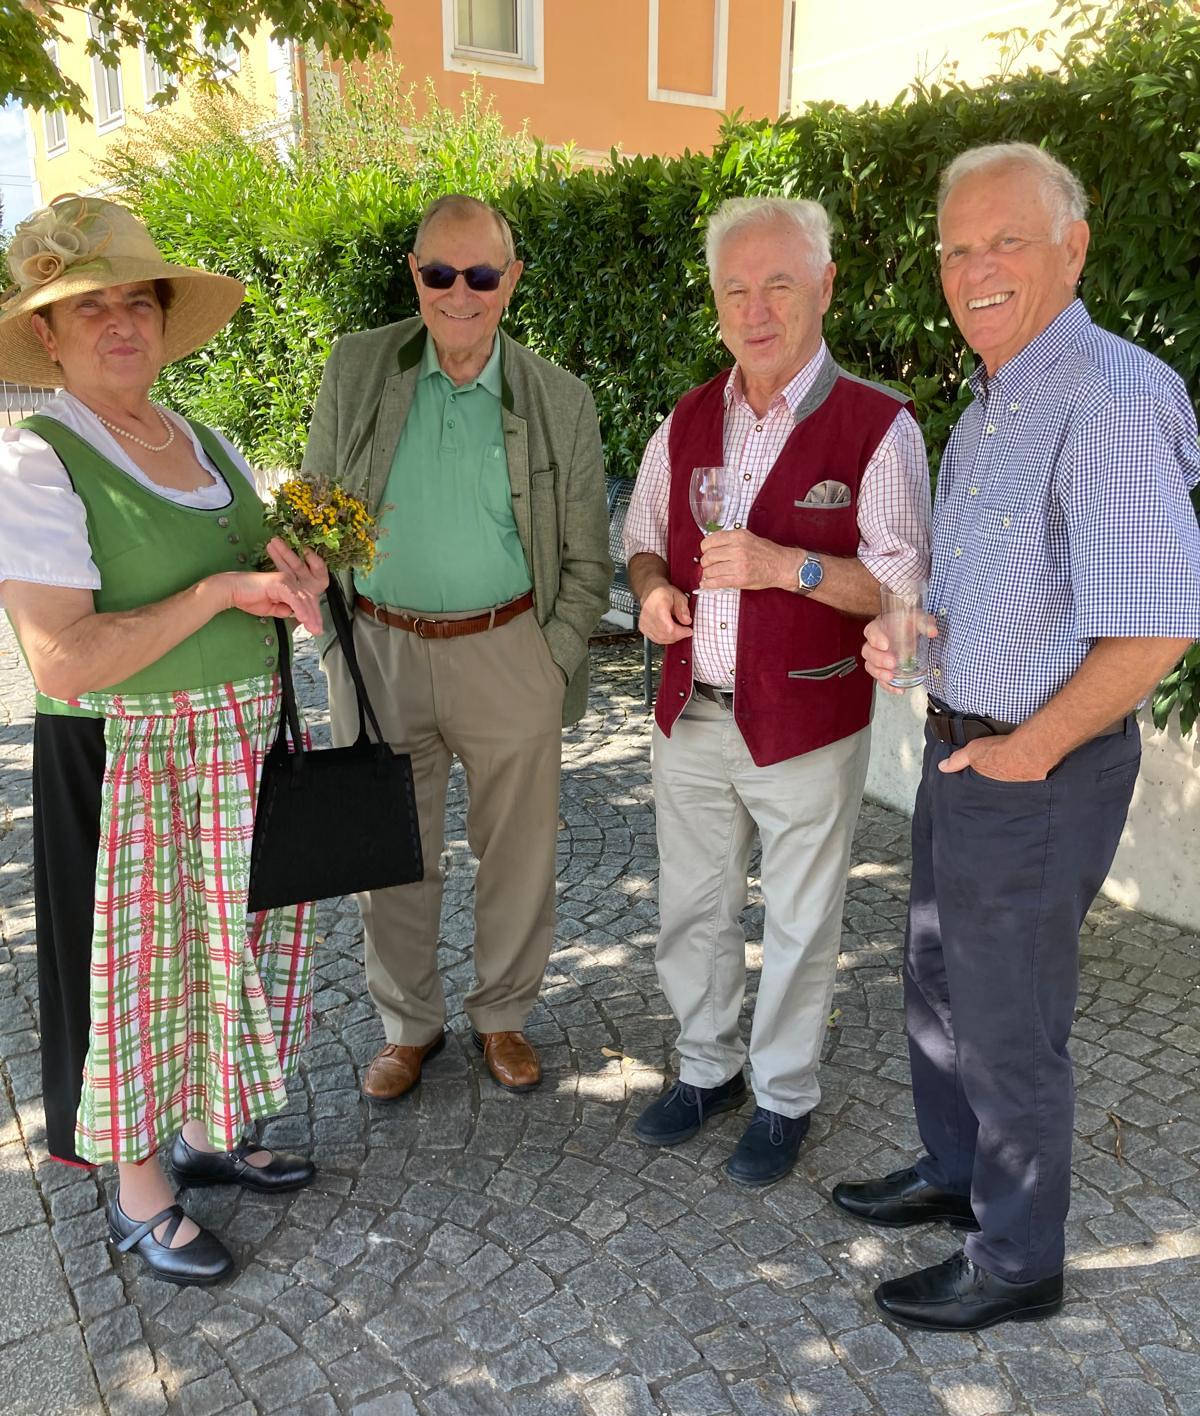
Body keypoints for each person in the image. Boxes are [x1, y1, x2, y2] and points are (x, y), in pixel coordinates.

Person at [834, 143, 1200, 1331]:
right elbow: (1002, 593)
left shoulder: (1109, 395)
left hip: (1032, 770)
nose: (975, 267)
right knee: (939, 979)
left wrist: (1027, 752)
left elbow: (1156, 628)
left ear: (1073, 248)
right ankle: (959, 1174)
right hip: (968, 747)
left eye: (1006, 240)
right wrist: (915, 637)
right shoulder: (998, 397)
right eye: (956, 248)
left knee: (1009, 1023)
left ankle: (1017, 1259)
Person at [0, 196, 327, 1287]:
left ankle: (205, 1132)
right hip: (127, 762)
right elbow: (64, 660)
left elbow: (249, 576)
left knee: (219, 960)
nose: (120, 322)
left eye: (137, 301)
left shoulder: (203, 440)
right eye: (88, 307)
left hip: (235, 751)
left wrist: (290, 581)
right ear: (47, 333)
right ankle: (140, 1192)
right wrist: (220, 592)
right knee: (132, 979)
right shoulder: (36, 463)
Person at [625, 195, 931, 1186]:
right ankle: (706, 1067)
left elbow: (898, 587)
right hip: (692, 711)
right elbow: (642, 539)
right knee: (693, 906)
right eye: (735, 290)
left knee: (800, 921)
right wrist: (653, 593)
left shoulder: (879, 426)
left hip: (806, 719)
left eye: (779, 286)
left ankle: (786, 1094)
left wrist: (785, 566)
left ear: (825, 287)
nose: (755, 311)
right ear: (716, 302)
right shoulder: (688, 417)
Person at [303, 194, 610, 1101]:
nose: (460, 293)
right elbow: (314, 511)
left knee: (518, 854)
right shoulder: (359, 367)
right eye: (440, 272)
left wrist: (551, 657)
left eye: (481, 274)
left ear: (511, 281)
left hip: (509, 648)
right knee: (389, 852)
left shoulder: (560, 399)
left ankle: (503, 1015)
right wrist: (336, 649)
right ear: (415, 274)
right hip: (381, 650)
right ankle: (408, 1027)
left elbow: (588, 559)